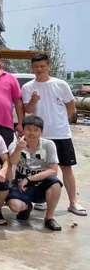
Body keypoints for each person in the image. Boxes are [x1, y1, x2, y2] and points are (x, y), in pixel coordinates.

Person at [22, 53, 86, 216]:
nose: (39, 69)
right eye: (36, 66)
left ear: (49, 66)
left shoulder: (60, 84)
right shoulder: (28, 87)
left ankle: (73, 202)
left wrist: (62, 121)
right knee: (40, 168)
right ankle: (42, 199)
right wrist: (34, 100)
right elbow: (28, 110)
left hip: (61, 134)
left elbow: (70, 105)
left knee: (66, 167)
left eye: (42, 66)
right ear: (32, 68)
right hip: (40, 136)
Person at [6, 116, 62, 231]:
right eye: (28, 129)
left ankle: (49, 217)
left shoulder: (48, 145)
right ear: (23, 130)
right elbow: (13, 161)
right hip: (21, 185)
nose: (32, 133)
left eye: (36, 130)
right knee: (14, 206)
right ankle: (26, 207)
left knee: (55, 183)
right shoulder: (15, 144)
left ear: (41, 132)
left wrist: (29, 178)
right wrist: (19, 148)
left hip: (41, 184)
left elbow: (53, 170)